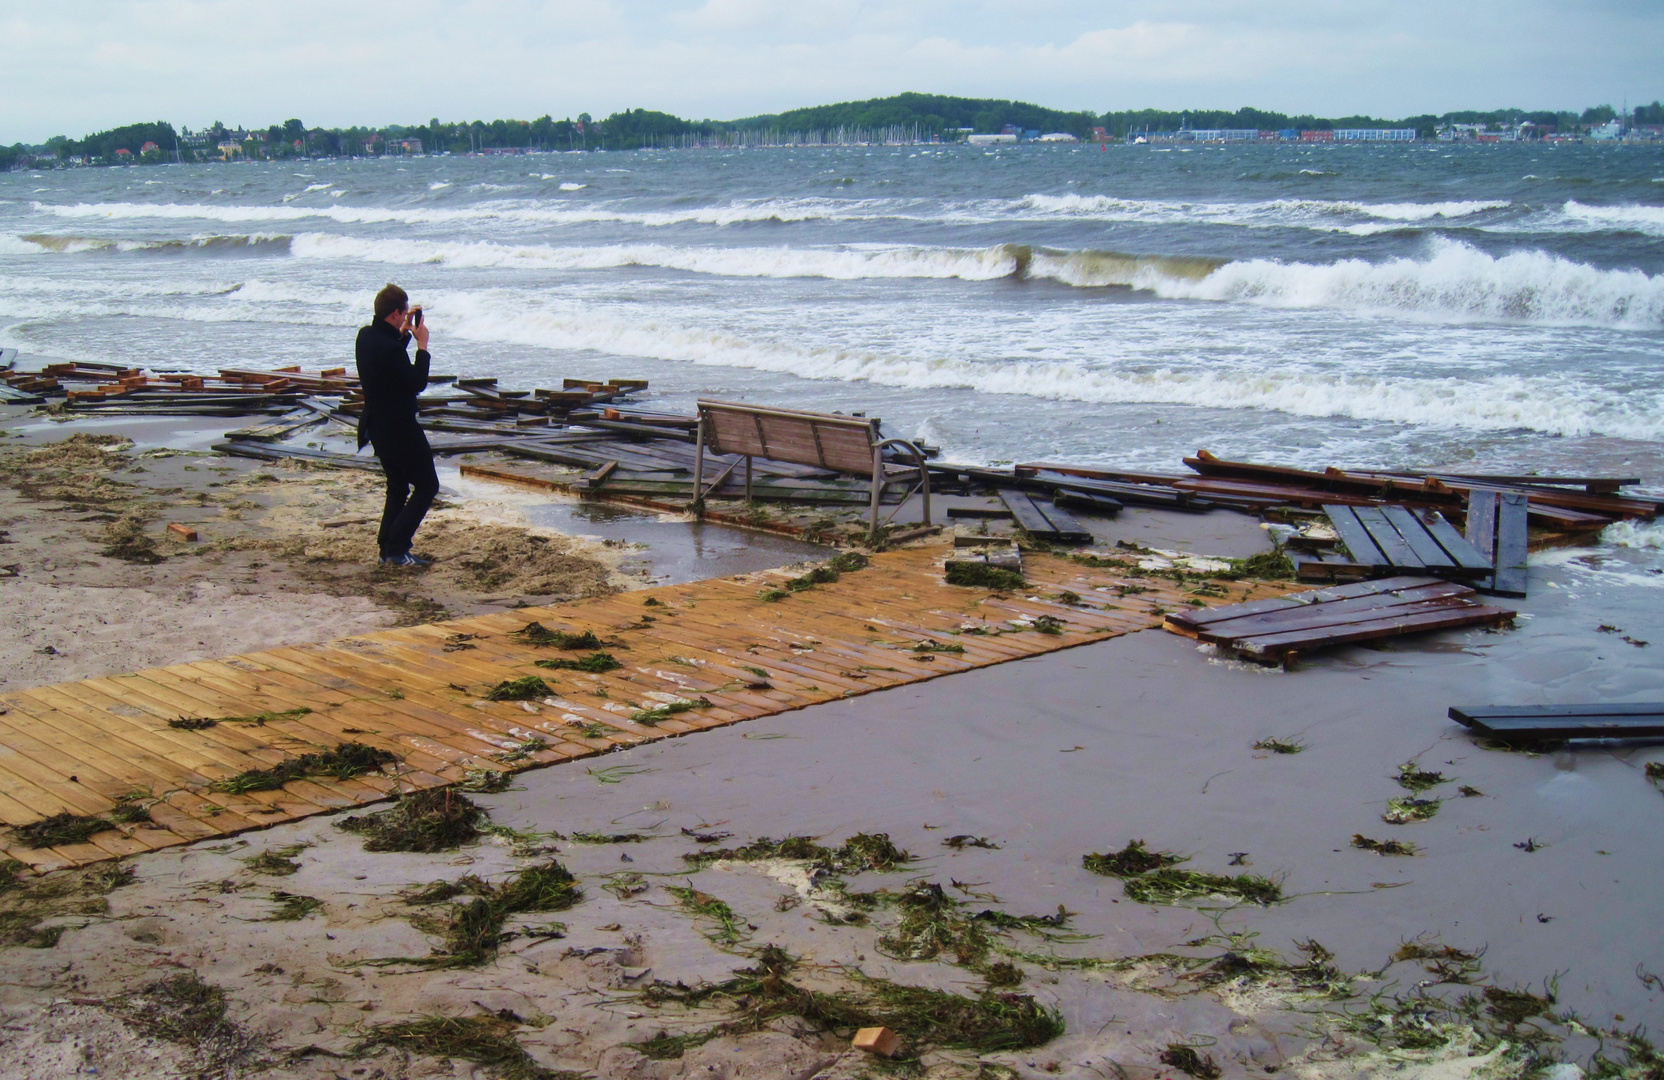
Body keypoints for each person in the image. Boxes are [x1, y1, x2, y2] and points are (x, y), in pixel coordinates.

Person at [356, 283, 437, 567]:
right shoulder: (390, 348)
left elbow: (388, 363)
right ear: (394, 313)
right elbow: (416, 383)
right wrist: (422, 346)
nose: (407, 319)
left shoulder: (365, 336)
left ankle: (387, 549)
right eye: (404, 314)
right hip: (399, 427)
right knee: (427, 485)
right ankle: (397, 548)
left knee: (399, 486)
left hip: (377, 426)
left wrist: (402, 334)